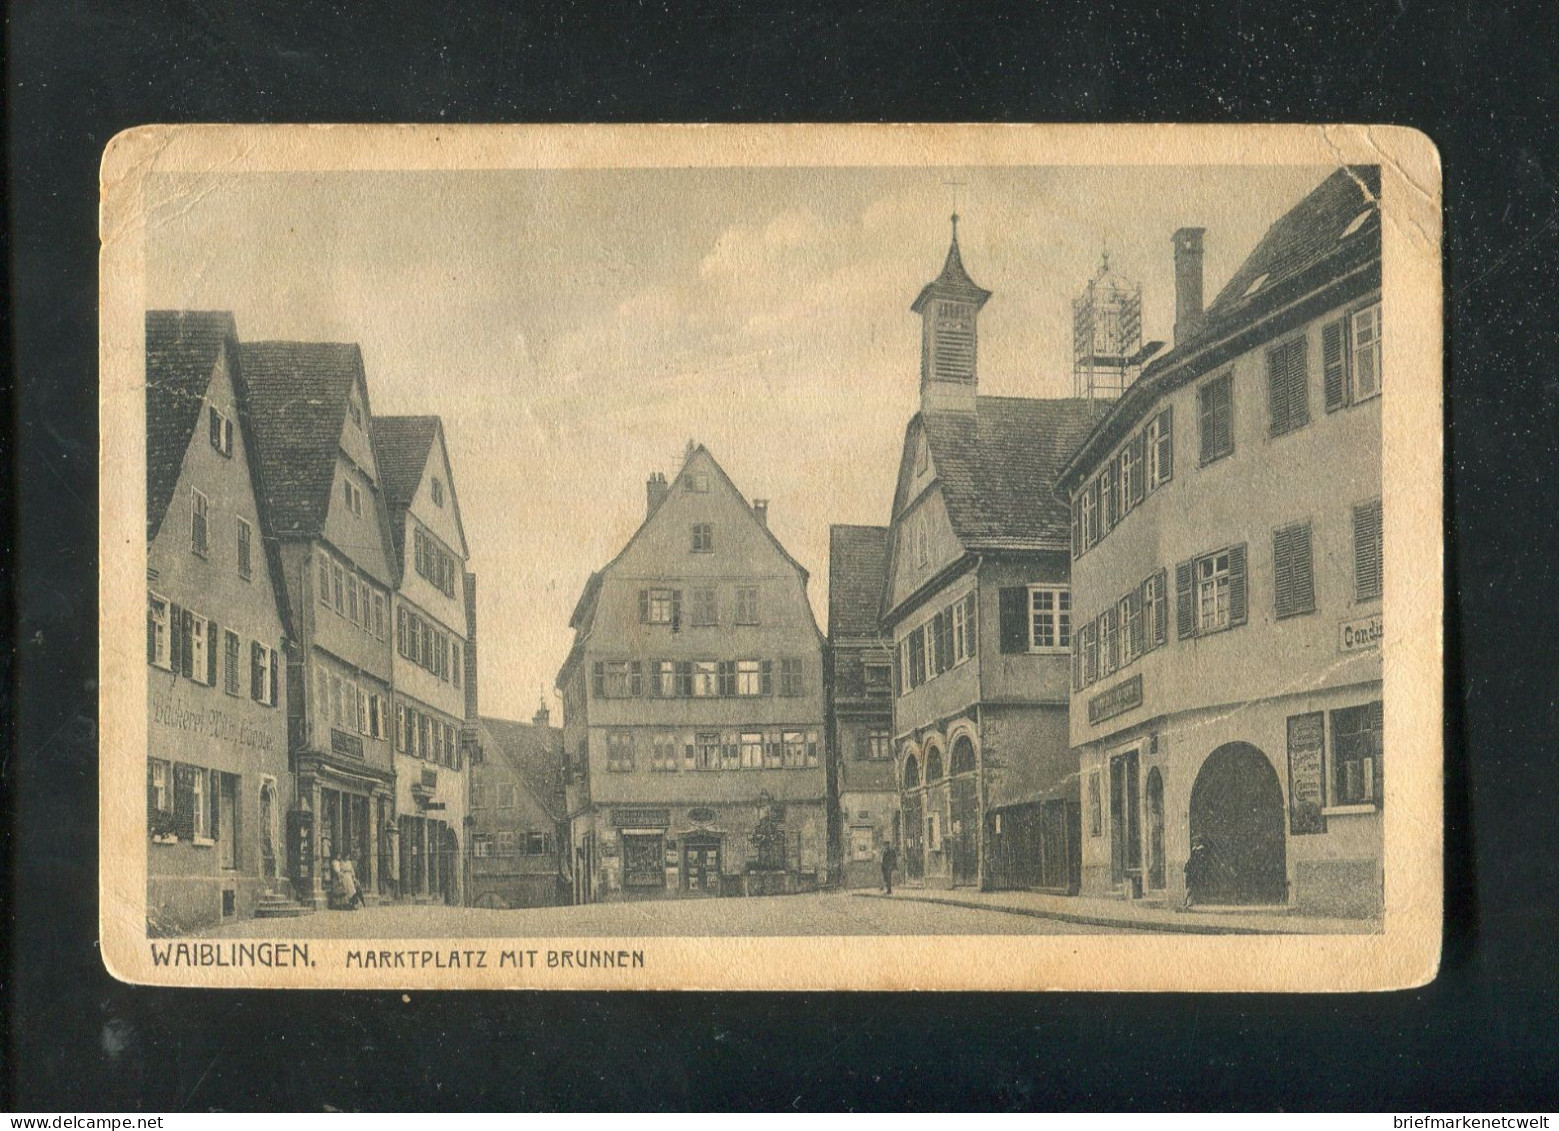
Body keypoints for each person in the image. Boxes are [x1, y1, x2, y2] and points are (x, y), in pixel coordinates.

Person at [1183, 837, 1211, 909]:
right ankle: (1187, 899)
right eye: (1194, 842)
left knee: (1194, 886)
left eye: (1196, 842)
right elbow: (1191, 860)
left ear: (1199, 842)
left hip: (1197, 870)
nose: (1195, 843)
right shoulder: (1194, 850)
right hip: (1194, 871)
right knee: (1192, 886)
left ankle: (1190, 900)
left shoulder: (1201, 850)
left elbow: (1202, 861)